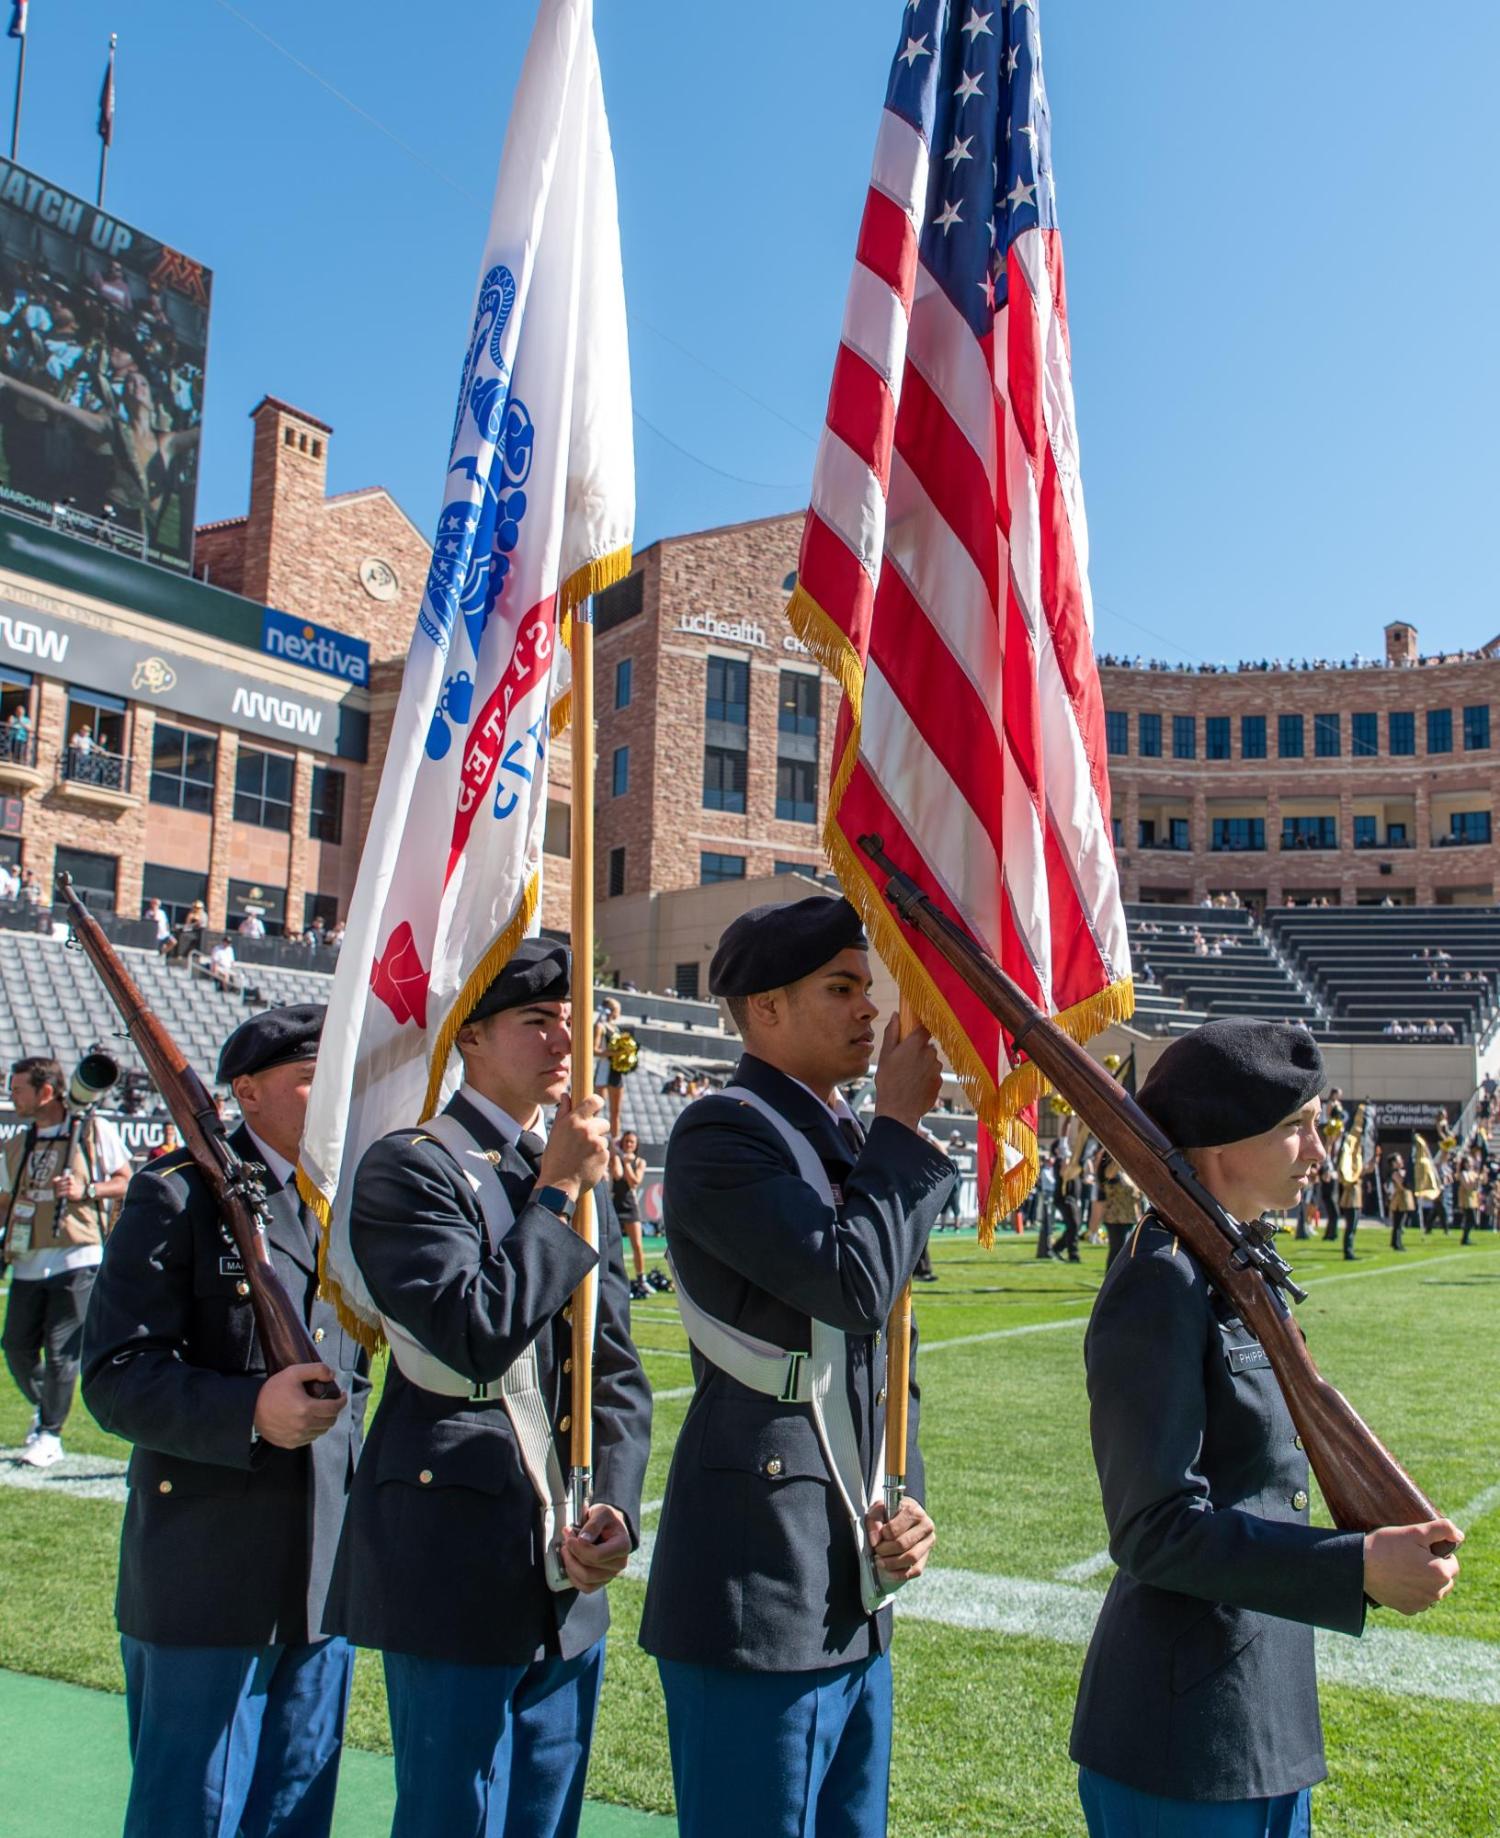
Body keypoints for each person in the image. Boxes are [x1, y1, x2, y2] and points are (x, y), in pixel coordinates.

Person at [1070, 1019, 1463, 1836]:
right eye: (1296, 1129)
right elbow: (1155, 1530)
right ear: (1221, 1145)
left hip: (1259, 1720)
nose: (1319, 1153)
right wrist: (1353, 1565)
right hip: (1183, 1740)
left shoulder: (1228, 1262)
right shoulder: (1161, 1280)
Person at [640, 895, 954, 1838]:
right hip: (758, 1571)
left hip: (851, 1561)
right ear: (766, 1010)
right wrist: (899, 1125)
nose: (871, 1010)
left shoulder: (842, 1137)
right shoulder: (721, 1133)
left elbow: (885, 1353)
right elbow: (850, 1287)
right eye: (842, 988)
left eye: (868, 986)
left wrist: (906, 1494)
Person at [327, 939, 651, 1838]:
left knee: (544, 1817)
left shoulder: (565, 1169)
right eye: (537, 1022)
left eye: (570, 1024)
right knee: (450, 1817)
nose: (563, 1043)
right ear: (470, 1036)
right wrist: (552, 1198)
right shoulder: (411, 1167)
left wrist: (617, 1508)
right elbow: (474, 1336)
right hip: (453, 1551)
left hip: (568, 1553)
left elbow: (614, 1370)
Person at [81, 1005, 368, 1838]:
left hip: (323, 1572)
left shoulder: (342, 1204)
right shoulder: (177, 1195)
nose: (334, 1100)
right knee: (192, 1814)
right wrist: (248, 1410)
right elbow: (116, 1375)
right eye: (312, 1080)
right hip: (207, 1572)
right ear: (246, 1091)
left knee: (294, 1812)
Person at [1, 1055, 133, 1466]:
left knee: (61, 1351)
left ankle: (49, 1434)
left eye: (17, 1088)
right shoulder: (15, 1144)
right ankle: (47, 1409)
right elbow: (5, 1201)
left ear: (45, 1090)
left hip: (78, 1254)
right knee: (17, 1348)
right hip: (28, 1256)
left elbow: (126, 1181)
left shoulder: (94, 1131)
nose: (11, 1095)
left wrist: (85, 1188)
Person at [612, 1128, 665, 1300]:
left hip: (631, 1206)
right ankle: (614, 1279)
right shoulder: (616, 1159)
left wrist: (628, 1163)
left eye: (631, 1142)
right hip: (615, 1205)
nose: (628, 1145)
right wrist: (619, 1158)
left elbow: (634, 1182)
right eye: (626, 1142)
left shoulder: (640, 1162)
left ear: (636, 1146)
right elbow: (617, 1175)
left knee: (637, 1245)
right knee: (613, 1245)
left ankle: (641, 1279)